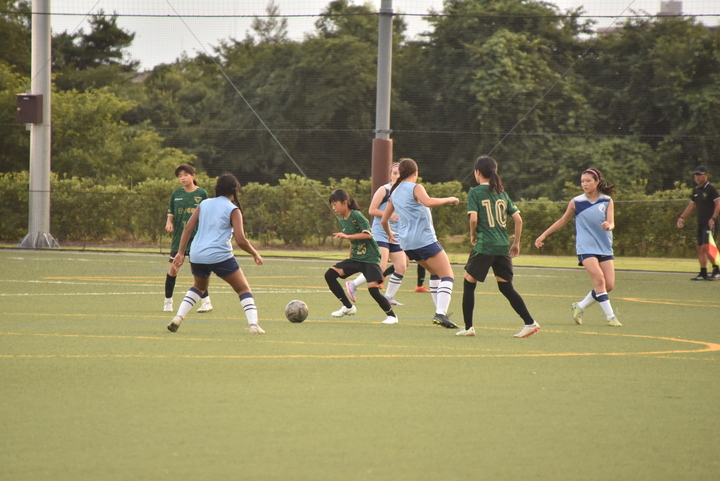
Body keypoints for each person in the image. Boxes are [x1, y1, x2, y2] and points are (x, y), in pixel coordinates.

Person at [167, 173, 265, 334]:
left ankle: (178, 317)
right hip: (220, 256)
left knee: (198, 287)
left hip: (197, 254)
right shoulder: (233, 209)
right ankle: (253, 325)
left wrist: (180, 252)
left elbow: (188, 228)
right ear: (235, 189)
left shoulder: (204, 203)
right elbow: (241, 240)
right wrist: (255, 254)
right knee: (243, 289)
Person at [458, 156, 540, 338]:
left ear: (477, 173)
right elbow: (518, 219)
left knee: (468, 283)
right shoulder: (501, 193)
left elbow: (473, 218)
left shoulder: (474, 193)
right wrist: (516, 243)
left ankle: (468, 327)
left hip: (485, 245)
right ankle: (529, 322)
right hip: (503, 246)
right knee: (506, 287)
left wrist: (472, 235)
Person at [535, 168, 622, 327]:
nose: (585, 184)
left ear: (596, 182)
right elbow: (562, 221)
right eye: (582, 181)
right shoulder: (576, 202)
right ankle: (611, 317)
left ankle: (580, 306)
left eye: (588, 181)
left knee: (608, 285)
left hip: (604, 247)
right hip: (586, 247)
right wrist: (544, 235)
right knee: (599, 280)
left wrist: (609, 226)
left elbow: (612, 222)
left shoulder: (607, 201)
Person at [381, 158, 460, 329]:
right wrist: (450, 199)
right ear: (416, 173)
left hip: (407, 244)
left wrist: (390, 234)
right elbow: (429, 202)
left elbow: (384, 219)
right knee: (448, 276)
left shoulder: (394, 192)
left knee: (434, 273)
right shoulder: (416, 187)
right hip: (424, 240)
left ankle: (441, 313)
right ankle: (440, 313)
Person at [324, 189, 399, 325]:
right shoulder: (342, 220)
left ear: (345, 202)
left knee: (373, 291)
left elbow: (367, 235)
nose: (333, 208)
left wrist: (347, 236)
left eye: (335, 204)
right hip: (356, 258)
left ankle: (392, 316)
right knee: (329, 275)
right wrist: (350, 254)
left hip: (370, 258)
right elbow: (354, 241)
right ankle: (348, 307)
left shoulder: (357, 215)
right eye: (332, 205)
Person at [346, 163, 406, 306]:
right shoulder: (384, 190)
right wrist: (388, 215)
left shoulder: (405, 193)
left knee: (402, 266)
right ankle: (353, 284)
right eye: (395, 173)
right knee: (381, 267)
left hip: (396, 235)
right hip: (381, 233)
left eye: (400, 173)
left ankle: (388, 296)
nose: (397, 176)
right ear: (391, 175)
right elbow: (372, 210)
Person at [164, 164, 212, 313]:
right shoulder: (176, 194)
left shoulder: (202, 194)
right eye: (179, 176)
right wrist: (169, 222)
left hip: (197, 238)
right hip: (179, 237)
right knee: (173, 268)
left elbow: (208, 214)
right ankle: (168, 302)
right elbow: (171, 213)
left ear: (193, 176)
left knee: (196, 270)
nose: (182, 178)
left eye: (185, 174)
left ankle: (206, 302)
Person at [676, 166, 720, 280]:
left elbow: (718, 204)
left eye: (700, 175)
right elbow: (691, 206)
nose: (697, 177)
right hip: (701, 223)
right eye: (696, 175)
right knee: (700, 248)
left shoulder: (711, 188)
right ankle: (703, 272)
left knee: (708, 247)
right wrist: (681, 217)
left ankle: (717, 269)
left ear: (706, 175)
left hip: (710, 222)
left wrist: (713, 218)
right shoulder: (696, 190)